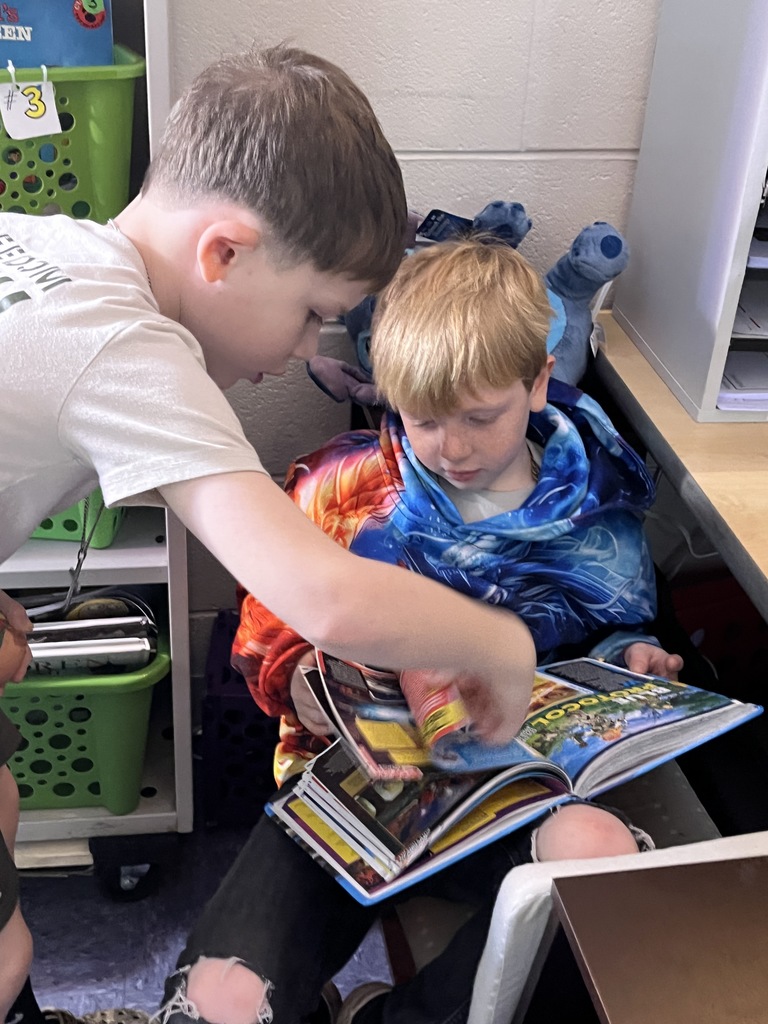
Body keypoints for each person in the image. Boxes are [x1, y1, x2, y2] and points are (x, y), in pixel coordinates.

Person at [0, 46, 544, 1024]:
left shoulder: (39, 247)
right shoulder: (125, 344)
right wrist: (499, 644)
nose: (300, 352)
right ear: (224, 253)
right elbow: (322, 594)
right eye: (310, 316)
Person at [157, 237, 684, 1024]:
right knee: (216, 1000)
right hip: (354, 792)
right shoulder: (344, 490)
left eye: (481, 417)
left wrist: (629, 658)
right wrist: (315, 683)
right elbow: (266, 642)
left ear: (540, 381)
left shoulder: (595, 512)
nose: (453, 448)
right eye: (424, 419)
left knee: (603, 867)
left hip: (514, 797)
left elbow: (613, 629)